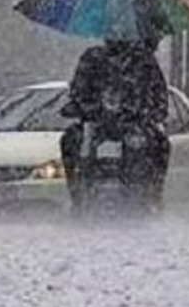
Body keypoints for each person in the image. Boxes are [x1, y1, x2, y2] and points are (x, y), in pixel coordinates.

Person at [60, 35, 171, 212]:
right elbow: (77, 94)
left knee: (161, 144)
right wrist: (87, 109)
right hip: (96, 124)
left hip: (135, 126)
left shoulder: (144, 61)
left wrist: (145, 114)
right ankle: (77, 195)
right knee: (69, 139)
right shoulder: (92, 58)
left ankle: (152, 195)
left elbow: (160, 99)